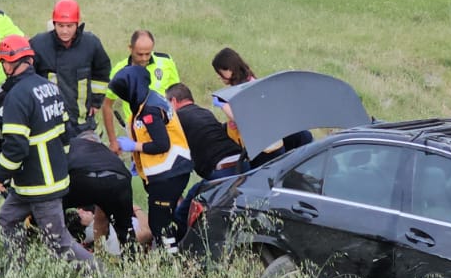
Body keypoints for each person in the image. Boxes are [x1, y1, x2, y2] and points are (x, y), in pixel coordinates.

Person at [0, 35, 96, 274]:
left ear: (9, 63)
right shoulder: (49, 88)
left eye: (3, 63)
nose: (4, 67)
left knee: (58, 242)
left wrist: (0, 175)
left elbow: (16, 146)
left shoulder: (17, 96)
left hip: (40, 185)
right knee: (8, 216)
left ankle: (101, 277)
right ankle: (15, 271)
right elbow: (66, 133)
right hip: (36, 180)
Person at [109, 64, 193, 247]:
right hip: (170, 172)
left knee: (159, 223)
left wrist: (134, 146)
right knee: (165, 218)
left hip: (168, 172)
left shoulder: (150, 110)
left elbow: (162, 144)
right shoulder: (149, 99)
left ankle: (169, 259)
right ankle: (178, 249)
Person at [209, 46, 313, 169]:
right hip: (265, 145)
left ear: (230, 69)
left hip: (265, 151)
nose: (218, 76)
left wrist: (223, 104)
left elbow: (243, 118)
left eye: (220, 72)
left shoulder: (247, 87)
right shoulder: (249, 81)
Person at [166, 83, 246, 237]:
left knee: (183, 213)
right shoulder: (204, 112)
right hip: (243, 165)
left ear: (174, 101)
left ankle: (181, 250)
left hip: (222, 172)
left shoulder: (176, 119)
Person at [30, 0, 112, 138]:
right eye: (60, 26)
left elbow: (102, 73)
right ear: (54, 24)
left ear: (77, 24)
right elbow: (29, 78)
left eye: (69, 26)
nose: (65, 31)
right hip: (50, 124)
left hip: (82, 123)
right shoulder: (39, 45)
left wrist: (96, 102)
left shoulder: (91, 44)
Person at [103, 30, 180, 152]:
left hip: (167, 126)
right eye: (140, 54)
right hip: (138, 131)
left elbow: (177, 93)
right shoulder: (120, 72)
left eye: (148, 54)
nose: (144, 59)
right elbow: (107, 106)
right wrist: (113, 141)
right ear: (130, 48)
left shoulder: (165, 62)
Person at [61, 133, 137, 254]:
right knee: (126, 232)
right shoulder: (106, 152)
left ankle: (55, 249)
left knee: (53, 209)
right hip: (119, 180)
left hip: (81, 178)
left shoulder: (72, 144)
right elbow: (102, 217)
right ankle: (131, 264)